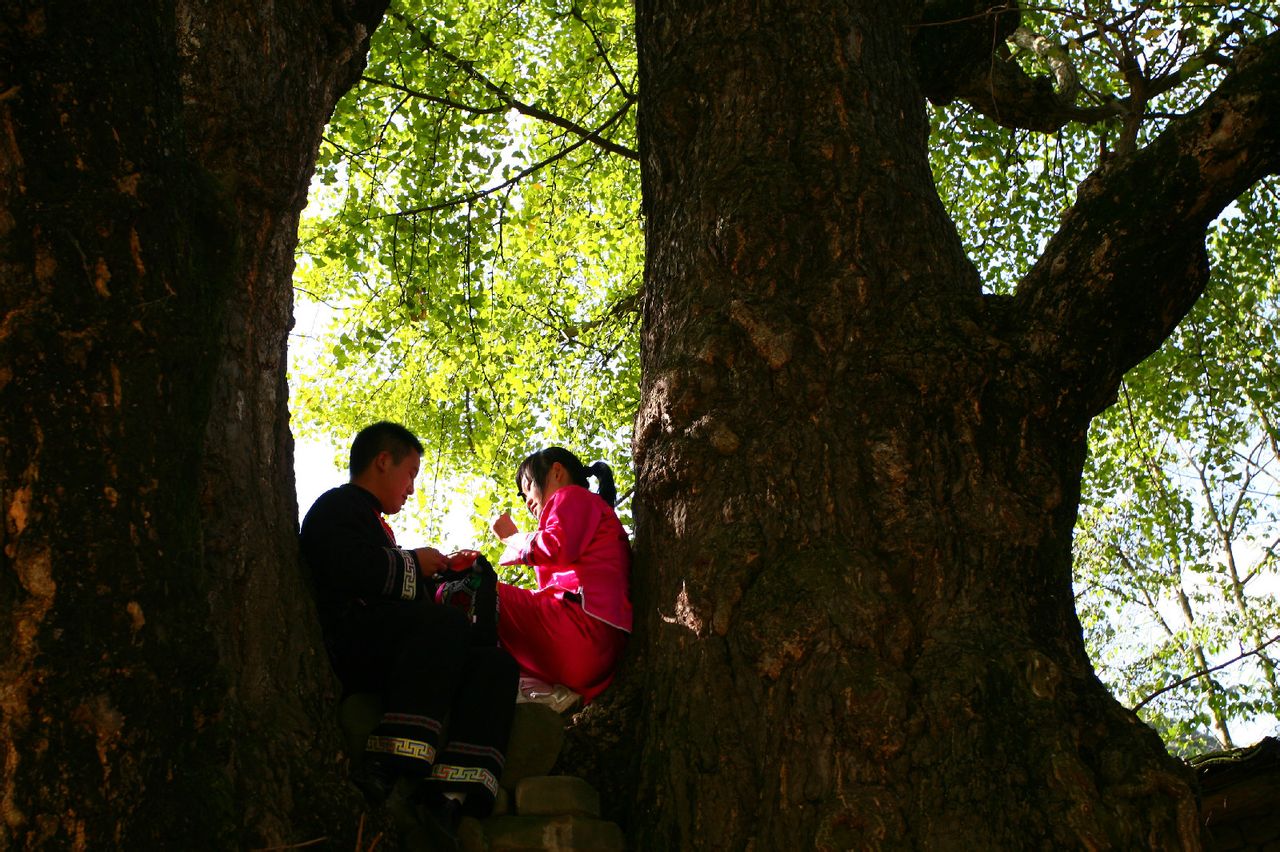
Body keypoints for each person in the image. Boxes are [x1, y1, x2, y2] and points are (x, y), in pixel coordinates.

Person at [299, 421, 517, 832]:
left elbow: (401, 592)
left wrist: (448, 576)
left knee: (496, 665)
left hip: (396, 645)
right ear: (383, 461)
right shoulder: (337, 506)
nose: (412, 489)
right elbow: (344, 566)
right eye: (411, 474)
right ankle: (387, 762)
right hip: (351, 641)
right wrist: (414, 562)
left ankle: (451, 794)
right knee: (445, 624)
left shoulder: (374, 522)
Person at [489, 447, 632, 703]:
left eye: (528, 486)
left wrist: (512, 539)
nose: (527, 500)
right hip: (595, 654)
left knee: (470, 587)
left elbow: (556, 545)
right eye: (522, 496)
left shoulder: (571, 496)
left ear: (556, 471)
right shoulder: (590, 512)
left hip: (582, 631)